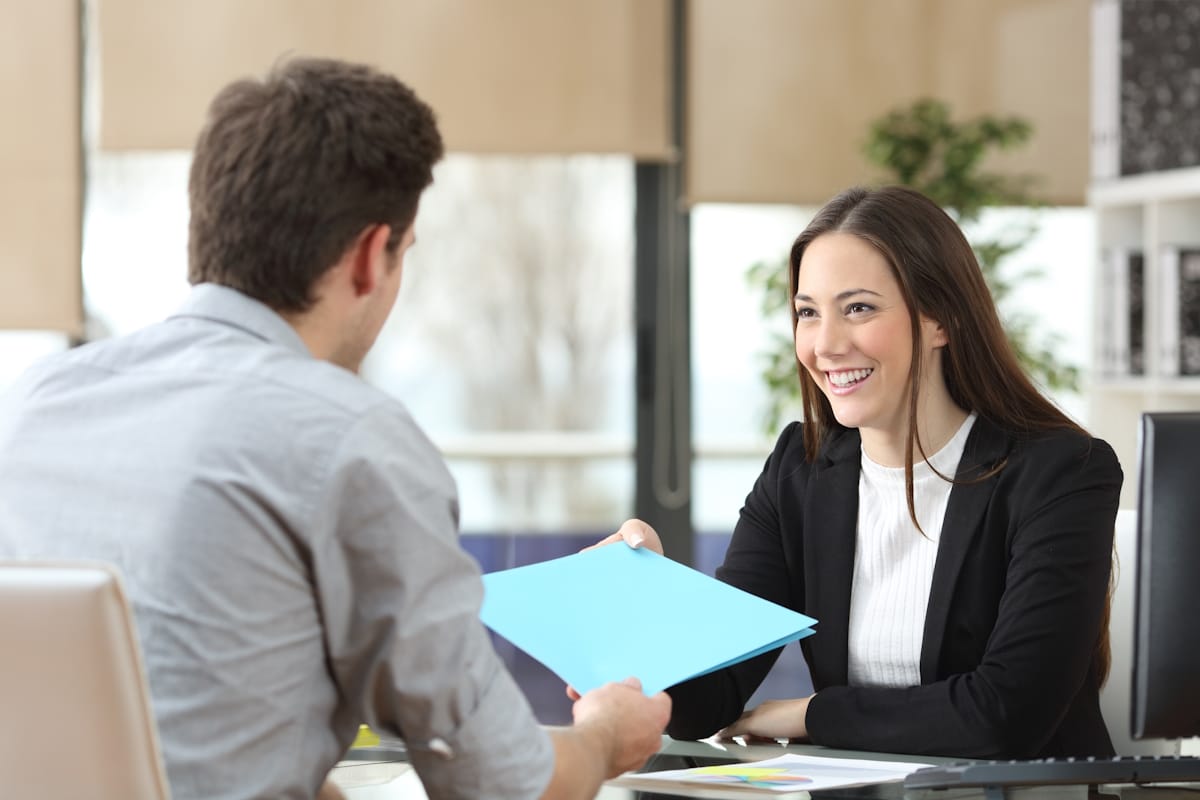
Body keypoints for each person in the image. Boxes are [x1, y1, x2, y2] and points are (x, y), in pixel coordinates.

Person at [0, 57, 670, 799]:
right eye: (402, 256)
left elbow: (173, 732)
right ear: (366, 257)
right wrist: (606, 732)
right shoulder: (350, 437)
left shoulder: (36, 404)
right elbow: (504, 785)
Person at [596, 185, 1121, 759]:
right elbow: (705, 704)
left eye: (859, 308)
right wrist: (639, 601)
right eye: (807, 313)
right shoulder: (800, 471)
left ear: (941, 319)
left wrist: (813, 715)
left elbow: (1004, 715)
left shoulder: (1061, 473)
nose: (825, 344)